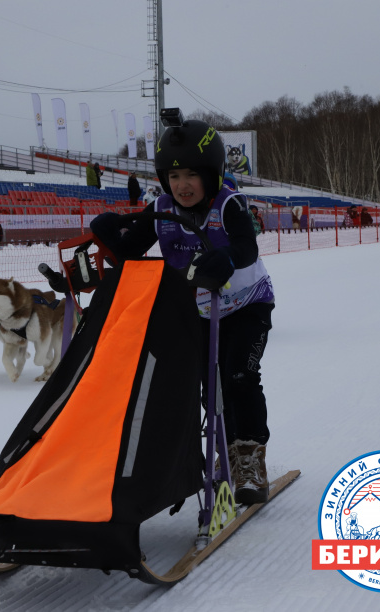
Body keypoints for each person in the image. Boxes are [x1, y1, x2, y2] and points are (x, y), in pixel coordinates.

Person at [89, 117, 275, 505]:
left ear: (212, 175)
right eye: (174, 176)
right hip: (199, 311)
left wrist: (225, 256)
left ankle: (250, 458)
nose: (182, 185)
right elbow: (130, 250)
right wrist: (110, 234)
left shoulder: (230, 204)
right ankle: (224, 453)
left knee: (238, 374)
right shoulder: (160, 208)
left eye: (192, 175)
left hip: (246, 305)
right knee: (209, 382)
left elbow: (246, 247)